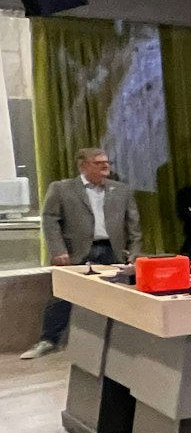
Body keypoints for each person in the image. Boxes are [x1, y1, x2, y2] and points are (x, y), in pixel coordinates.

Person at [18, 148, 143, 360]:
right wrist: (58, 250)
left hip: (112, 252)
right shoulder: (62, 188)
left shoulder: (121, 190)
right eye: (98, 163)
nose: (106, 166)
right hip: (76, 252)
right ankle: (49, 340)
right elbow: (50, 221)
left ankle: (122, 343)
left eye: (107, 162)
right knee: (62, 297)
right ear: (83, 166)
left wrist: (134, 254)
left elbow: (134, 226)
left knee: (119, 297)